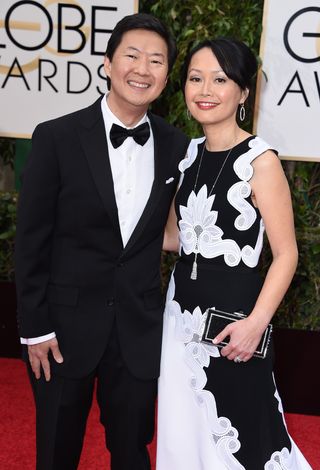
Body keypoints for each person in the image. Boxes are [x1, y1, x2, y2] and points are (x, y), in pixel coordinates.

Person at [14, 13, 189, 470]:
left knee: (132, 452)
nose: (142, 69)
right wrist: (35, 327)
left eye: (156, 61)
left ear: (166, 77)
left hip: (137, 327)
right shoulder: (56, 137)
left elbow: (174, 232)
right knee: (56, 450)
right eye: (131, 55)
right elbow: (32, 239)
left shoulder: (177, 146)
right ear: (108, 63)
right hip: (61, 329)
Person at [156, 38, 312, 469]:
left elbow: (286, 255)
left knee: (248, 434)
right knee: (182, 430)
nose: (204, 89)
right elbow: (174, 238)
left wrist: (256, 325)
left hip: (236, 325)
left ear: (243, 93)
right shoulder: (186, 156)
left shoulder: (260, 161)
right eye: (195, 78)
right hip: (179, 319)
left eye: (219, 79)